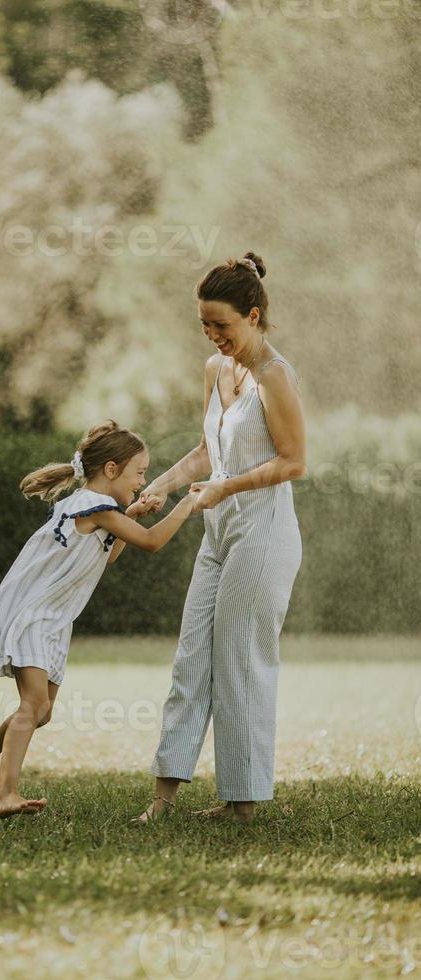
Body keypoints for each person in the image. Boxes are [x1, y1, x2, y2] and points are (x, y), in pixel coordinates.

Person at [136, 252, 306, 825]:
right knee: (192, 657)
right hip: (218, 531)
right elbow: (208, 452)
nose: (213, 336)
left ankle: (244, 802)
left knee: (241, 662)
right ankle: (163, 798)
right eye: (205, 326)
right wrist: (160, 485)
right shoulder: (215, 370)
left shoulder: (275, 376)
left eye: (223, 326)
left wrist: (225, 487)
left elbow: (293, 462)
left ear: (253, 316)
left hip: (264, 533)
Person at [0, 420, 203, 818]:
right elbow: (151, 542)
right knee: (33, 704)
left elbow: (107, 553)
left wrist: (131, 512)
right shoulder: (95, 507)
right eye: (140, 473)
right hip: (33, 613)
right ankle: (6, 792)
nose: (143, 480)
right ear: (111, 470)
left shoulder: (95, 506)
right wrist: (187, 504)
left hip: (54, 618)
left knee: (43, 711)